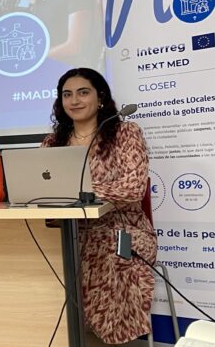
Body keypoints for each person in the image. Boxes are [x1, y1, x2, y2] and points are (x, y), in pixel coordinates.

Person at [42, 68, 156, 345]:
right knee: (40, 255)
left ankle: (110, 338)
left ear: (100, 96)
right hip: (70, 232)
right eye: (67, 94)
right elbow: (43, 193)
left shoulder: (125, 133)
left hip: (123, 231)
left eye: (83, 92)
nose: (74, 100)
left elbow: (133, 188)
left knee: (104, 252)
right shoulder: (53, 142)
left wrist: (79, 195)